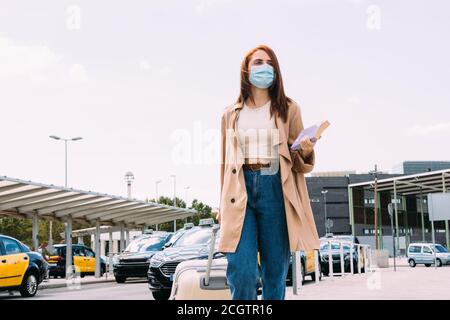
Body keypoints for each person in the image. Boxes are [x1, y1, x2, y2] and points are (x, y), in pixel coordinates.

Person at [217, 44, 320, 300]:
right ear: (246, 70)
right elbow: (224, 163)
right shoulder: (230, 114)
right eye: (258, 63)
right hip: (240, 191)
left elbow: (299, 161)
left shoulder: (288, 108)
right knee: (242, 272)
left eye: (270, 63)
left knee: (275, 271)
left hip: (275, 186)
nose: (265, 68)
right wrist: (220, 204)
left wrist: (306, 150)